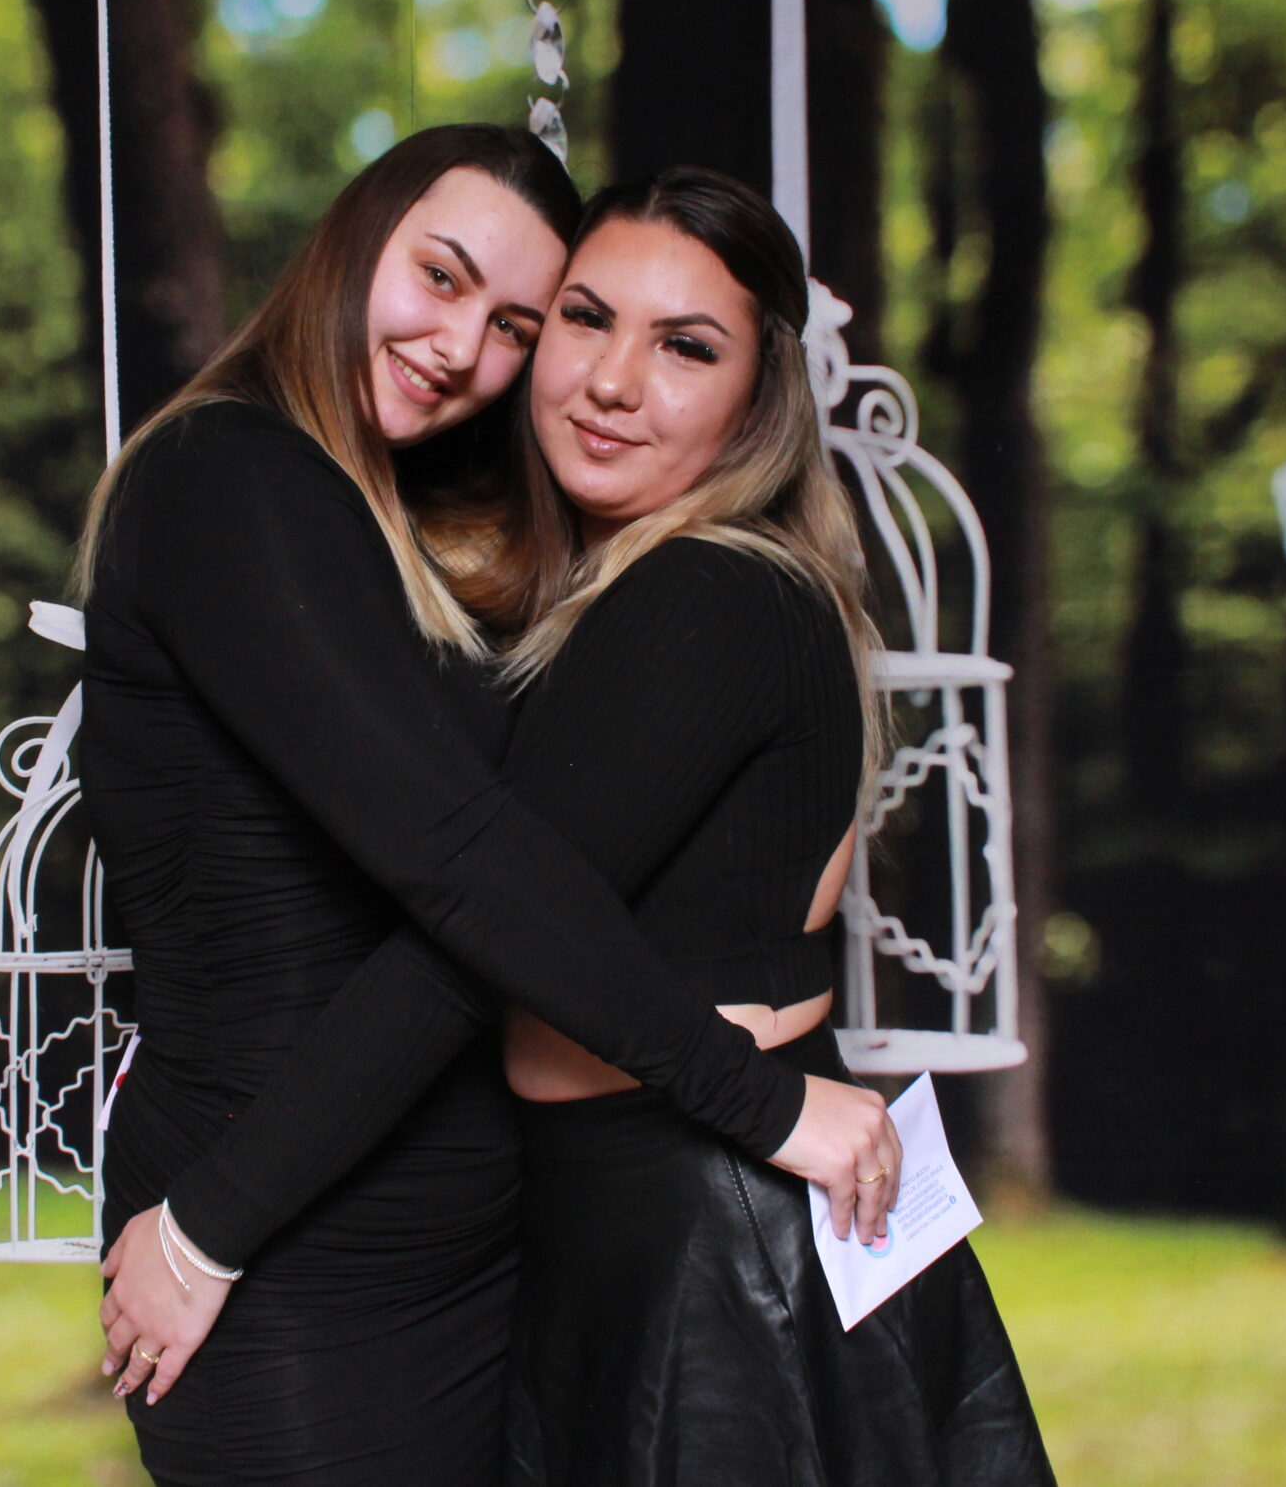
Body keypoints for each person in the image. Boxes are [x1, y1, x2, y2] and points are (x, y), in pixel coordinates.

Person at [100, 165, 1056, 1485]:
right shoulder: (611, 592)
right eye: (585, 320)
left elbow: (471, 917)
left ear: (759, 398)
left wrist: (207, 1223)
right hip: (633, 1214)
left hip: (712, 1226)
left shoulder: (701, 596)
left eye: (686, 348)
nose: (611, 381)